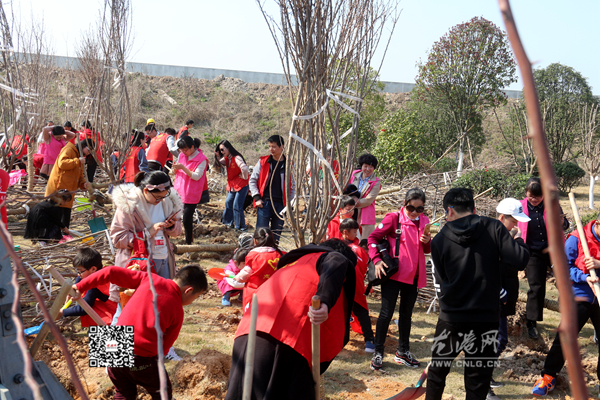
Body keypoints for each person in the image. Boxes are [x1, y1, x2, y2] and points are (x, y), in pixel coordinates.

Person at [426, 188, 530, 400]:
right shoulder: (494, 227)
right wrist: (518, 241)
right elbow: (520, 260)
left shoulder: (439, 241)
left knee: (437, 373)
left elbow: (443, 279)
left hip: (452, 318)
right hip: (485, 318)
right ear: (474, 209)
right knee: (478, 381)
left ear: (449, 211)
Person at [225, 239, 357, 400]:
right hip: (285, 339)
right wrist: (324, 301)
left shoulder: (295, 261)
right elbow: (337, 260)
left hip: (247, 333)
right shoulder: (330, 257)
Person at [71, 264, 207, 400]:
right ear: (188, 291)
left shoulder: (149, 278)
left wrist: (80, 286)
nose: (192, 301)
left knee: (124, 392)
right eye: (196, 297)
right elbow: (164, 348)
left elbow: (111, 271)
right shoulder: (178, 311)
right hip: (140, 353)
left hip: (110, 342)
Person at [530, 215, 600, 396]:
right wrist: (585, 277)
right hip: (580, 296)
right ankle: (548, 377)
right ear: (598, 224)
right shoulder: (577, 238)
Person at [369, 188, 431, 370]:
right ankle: (378, 352)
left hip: (414, 276)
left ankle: (403, 351)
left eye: (419, 209)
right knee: (386, 313)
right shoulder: (394, 218)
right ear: (405, 204)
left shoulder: (425, 221)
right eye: (411, 208)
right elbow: (372, 239)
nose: (414, 212)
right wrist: (377, 260)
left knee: (406, 315)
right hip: (394, 274)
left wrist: (427, 241)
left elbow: (427, 250)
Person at [488, 198, 530, 398]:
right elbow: (520, 260)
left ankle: (485, 376)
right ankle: (482, 381)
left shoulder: (504, 237)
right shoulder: (493, 238)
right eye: (513, 221)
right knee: (496, 340)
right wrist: (519, 241)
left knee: (499, 340)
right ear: (502, 217)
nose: (515, 225)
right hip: (494, 296)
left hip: (504, 295)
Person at [519, 177, 569, 339]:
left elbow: (565, 225)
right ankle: (532, 323)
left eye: (538, 197)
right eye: (530, 196)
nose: (533, 199)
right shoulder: (519, 207)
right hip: (532, 252)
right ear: (526, 193)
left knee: (565, 282)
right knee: (536, 287)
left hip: (553, 250)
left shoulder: (553, 205)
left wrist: (562, 222)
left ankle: (571, 317)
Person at [111, 170, 183, 284]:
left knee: (164, 294)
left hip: (164, 258)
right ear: (145, 190)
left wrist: (172, 226)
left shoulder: (168, 202)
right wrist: (147, 233)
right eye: (157, 197)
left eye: (164, 196)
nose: (160, 200)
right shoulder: (129, 205)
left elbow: (178, 231)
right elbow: (118, 238)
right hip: (139, 263)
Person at [249, 135, 295, 244]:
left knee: (276, 237)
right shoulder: (263, 161)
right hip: (264, 203)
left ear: (282, 147)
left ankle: (273, 253)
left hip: (281, 206)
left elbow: (293, 186)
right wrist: (257, 198)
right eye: (269, 146)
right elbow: (252, 180)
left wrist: (290, 204)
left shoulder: (289, 164)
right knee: (261, 235)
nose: (271, 149)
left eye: (274, 146)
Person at [340, 218, 375, 352]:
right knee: (361, 312)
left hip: (341, 285)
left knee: (342, 312)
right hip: (354, 285)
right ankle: (369, 340)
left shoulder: (335, 246)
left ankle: (342, 339)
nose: (356, 234)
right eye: (354, 232)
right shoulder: (358, 250)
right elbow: (365, 266)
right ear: (345, 232)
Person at [58, 248, 118, 326]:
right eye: (77, 271)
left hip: (112, 322)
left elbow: (84, 309)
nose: (78, 274)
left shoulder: (95, 284)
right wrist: (74, 288)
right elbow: (80, 277)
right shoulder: (101, 273)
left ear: (93, 269)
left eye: (80, 271)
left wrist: (61, 312)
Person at [45, 139, 94, 228]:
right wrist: (77, 161)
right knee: (54, 219)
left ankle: (65, 234)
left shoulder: (79, 157)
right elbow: (62, 163)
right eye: (89, 150)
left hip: (68, 194)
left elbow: (80, 176)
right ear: (83, 146)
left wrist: (83, 184)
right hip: (58, 190)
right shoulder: (69, 150)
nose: (88, 153)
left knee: (65, 219)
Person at [231, 228, 284, 309]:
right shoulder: (280, 255)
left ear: (255, 241)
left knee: (253, 313)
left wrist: (237, 278)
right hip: (275, 292)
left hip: (255, 292)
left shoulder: (253, 255)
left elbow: (245, 273)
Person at [172, 136, 207, 245]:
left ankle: (188, 243)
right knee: (172, 215)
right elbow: (176, 172)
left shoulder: (202, 159)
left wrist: (183, 167)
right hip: (178, 190)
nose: (183, 152)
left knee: (187, 219)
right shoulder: (182, 155)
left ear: (192, 147)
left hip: (191, 193)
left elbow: (196, 176)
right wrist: (175, 169)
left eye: (185, 150)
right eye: (181, 150)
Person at [214, 139, 249, 231]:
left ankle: (240, 226)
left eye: (223, 149)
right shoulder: (227, 158)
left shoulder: (237, 158)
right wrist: (217, 156)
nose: (222, 152)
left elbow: (244, 168)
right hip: (233, 185)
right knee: (228, 202)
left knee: (237, 205)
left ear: (228, 148)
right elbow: (220, 163)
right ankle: (227, 223)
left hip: (241, 185)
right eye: (220, 150)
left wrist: (245, 177)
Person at [348, 154, 381, 239]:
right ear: (361, 166)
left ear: (374, 168)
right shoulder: (354, 175)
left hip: (365, 215)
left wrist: (351, 203)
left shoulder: (376, 182)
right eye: (365, 166)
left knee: (364, 240)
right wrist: (352, 199)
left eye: (370, 167)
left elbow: (368, 200)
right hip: (350, 212)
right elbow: (347, 189)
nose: (367, 169)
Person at [217, 233, 254, 306]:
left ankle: (242, 296)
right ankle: (226, 297)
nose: (246, 266)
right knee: (227, 285)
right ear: (236, 263)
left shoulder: (244, 266)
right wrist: (246, 283)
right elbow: (234, 283)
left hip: (240, 283)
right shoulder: (229, 269)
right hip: (231, 284)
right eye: (244, 263)